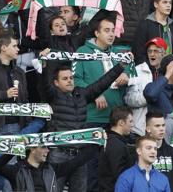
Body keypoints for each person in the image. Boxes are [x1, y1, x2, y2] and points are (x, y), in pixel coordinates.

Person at [38, 59, 127, 192]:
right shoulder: (52, 96)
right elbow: (45, 85)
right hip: (58, 154)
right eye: (65, 79)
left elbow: (101, 84)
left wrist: (120, 67)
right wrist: (44, 67)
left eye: (71, 77)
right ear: (56, 83)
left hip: (80, 155)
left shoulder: (81, 94)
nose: (69, 81)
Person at [76, 12, 130, 128]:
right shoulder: (83, 52)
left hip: (116, 117)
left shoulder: (117, 53)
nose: (111, 34)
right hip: (93, 116)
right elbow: (76, 80)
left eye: (112, 30)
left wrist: (126, 75)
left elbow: (130, 70)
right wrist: (94, 95)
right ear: (97, 33)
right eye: (107, 30)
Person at [134, 0, 173, 64]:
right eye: (165, 2)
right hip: (151, 70)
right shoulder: (145, 25)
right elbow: (138, 52)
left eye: (170, 3)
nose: (168, 5)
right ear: (156, 4)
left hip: (172, 69)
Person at [96, 106, 135, 192]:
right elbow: (120, 174)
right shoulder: (116, 144)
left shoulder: (110, 140)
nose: (132, 125)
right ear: (121, 122)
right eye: (130, 121)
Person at [146, 111, 173, 192]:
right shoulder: (140, 153)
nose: (161, 129)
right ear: (148, 129)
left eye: (163, 125)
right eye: (157, 126)